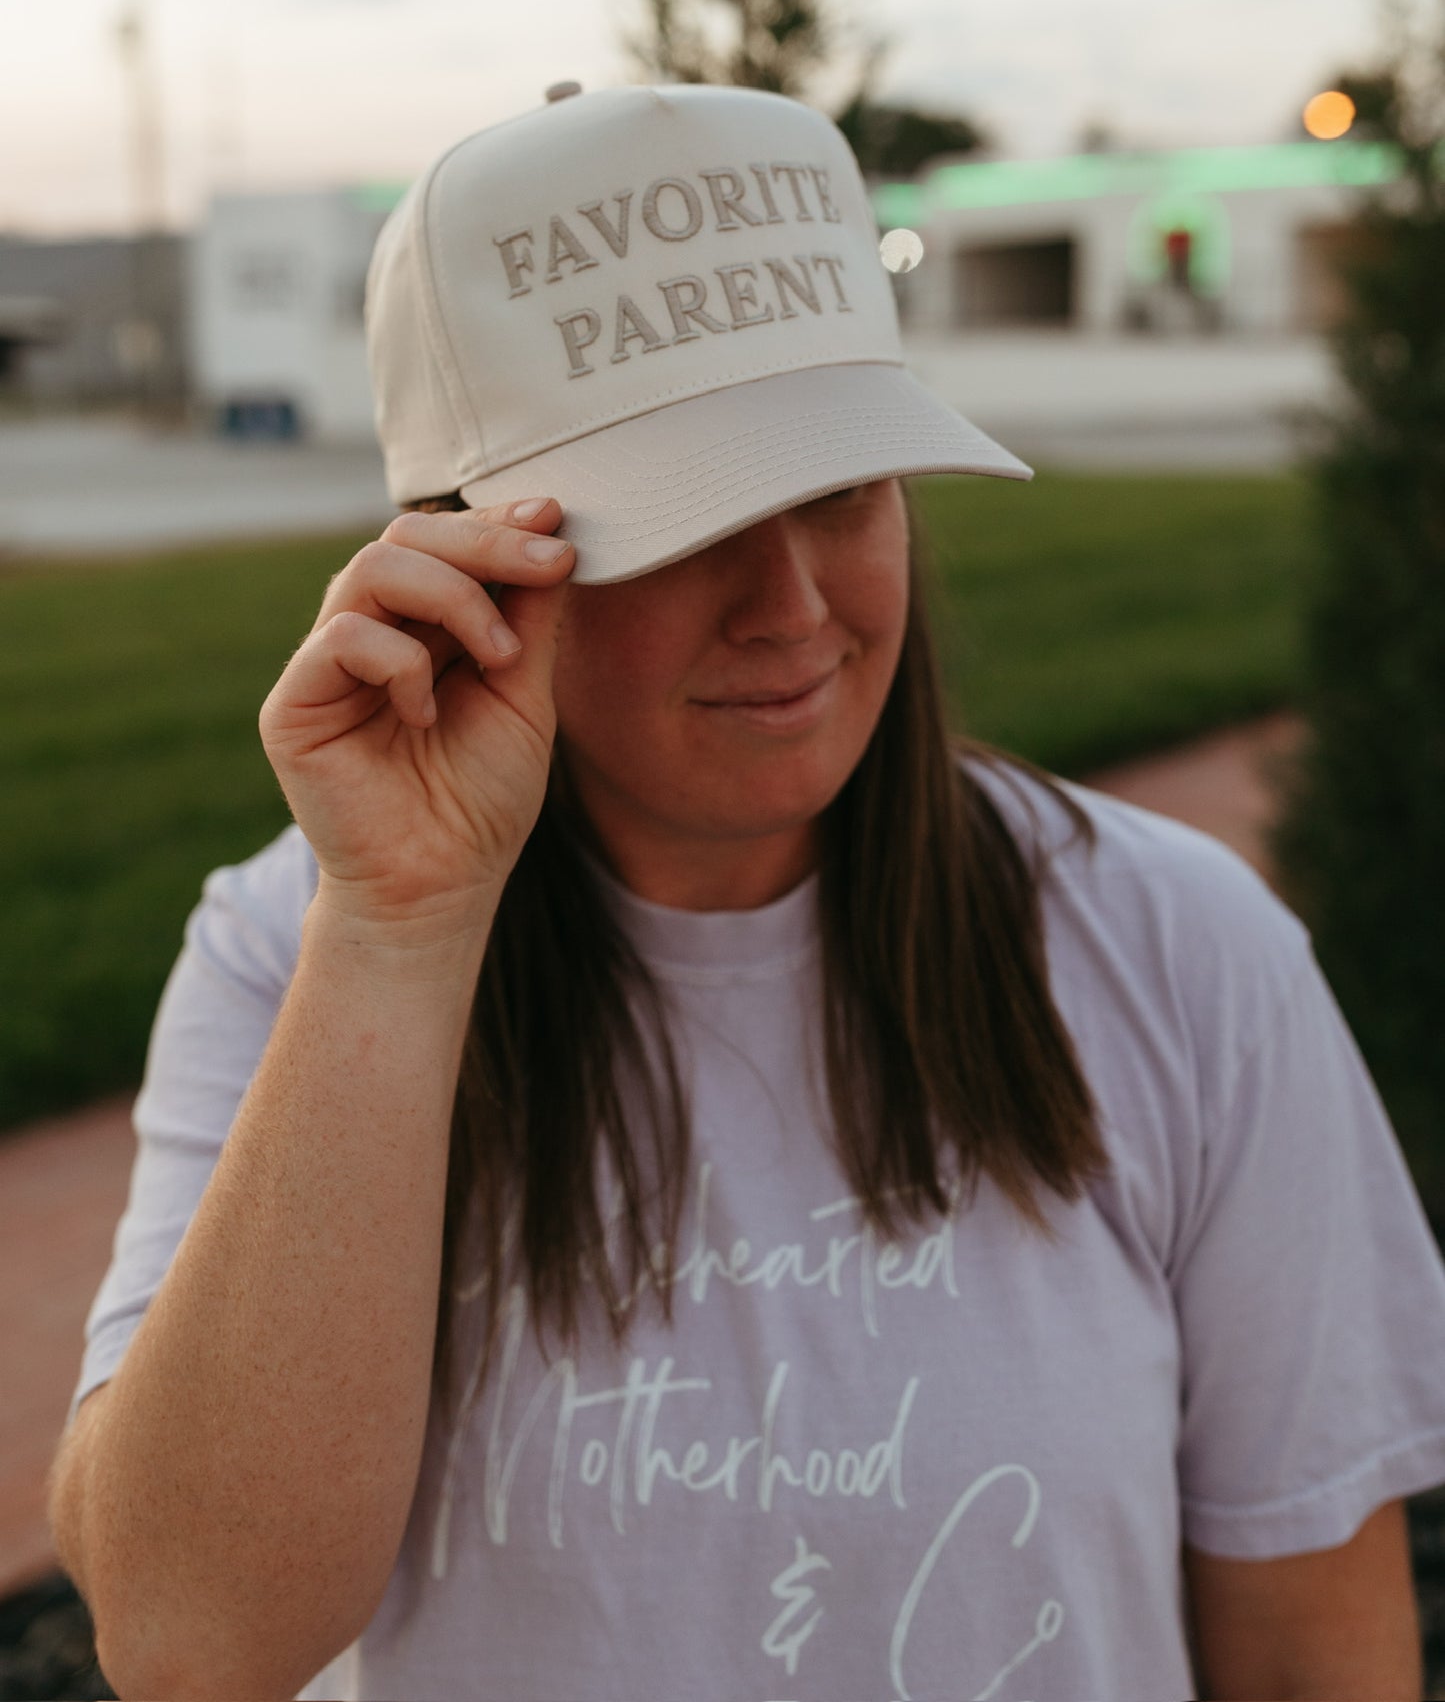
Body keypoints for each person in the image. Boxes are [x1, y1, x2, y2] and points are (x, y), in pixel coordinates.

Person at [49, 84, 1445, 1702]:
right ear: (459, 570)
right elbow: (187, 1642)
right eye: (685, 523)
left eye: (840, 492)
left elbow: (1309, 1636)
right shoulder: (290, 954)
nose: (789, 606)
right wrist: (396, 931)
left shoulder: (1174, 946)